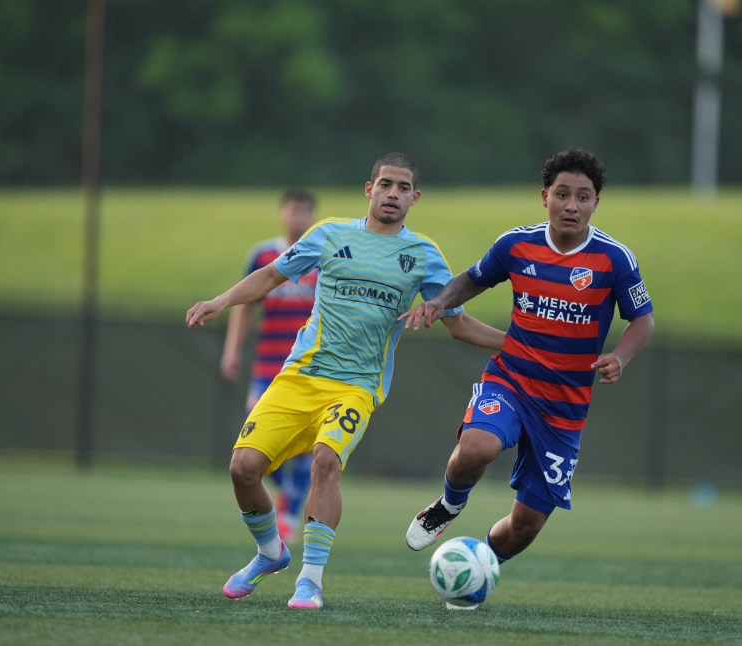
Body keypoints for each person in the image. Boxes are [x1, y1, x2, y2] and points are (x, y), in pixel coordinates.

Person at [186, 152, 505, 609]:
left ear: (415, 197)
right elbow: (272, 275)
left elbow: (458, 323)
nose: (393, 194)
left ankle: (310, 580)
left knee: (324, 462)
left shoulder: (423, 256)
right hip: (298, 375)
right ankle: (270, 552)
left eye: (402, 188)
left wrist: (518, 344)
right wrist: (222, 301)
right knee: (243, 468)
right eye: (385, 184)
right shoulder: (330, 234)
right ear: (369, 189)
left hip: (356, 386)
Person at [402, 148, 656, 602]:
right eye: (563, 194)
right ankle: (448, 505)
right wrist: (441, 301)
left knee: (525, 527)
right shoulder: (517, 244)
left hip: (564, 407)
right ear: (545, 197)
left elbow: (643, 319)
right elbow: (473, 278)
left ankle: (478, 565)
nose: (572, 205)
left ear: (597, 202)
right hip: (512, 379)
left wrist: (622, 355)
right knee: (476, 446)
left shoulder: (614, 259)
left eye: (583, 196)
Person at [221, 188, 319, 545]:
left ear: (311, 216)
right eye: (292, 210)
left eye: (304, 212)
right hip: (267, 365)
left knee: (307, 445)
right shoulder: (263, 255)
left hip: (309, 368)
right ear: (282, 213)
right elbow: (245, 304)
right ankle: (290, 492)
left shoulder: (322, 257)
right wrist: (232, 350)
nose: (297, 217)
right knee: (255, 437)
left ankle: (289, 512)